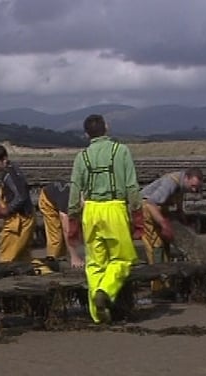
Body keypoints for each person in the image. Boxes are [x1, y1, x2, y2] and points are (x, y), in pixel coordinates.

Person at [67, 115, 144, 324]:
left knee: (94, 264)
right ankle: (105, 290)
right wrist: (138, 216)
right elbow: (132, 187)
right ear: (107, 128)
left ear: (86, 134)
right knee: (123, 259)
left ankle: (98, 314)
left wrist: (72, 221)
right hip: (115, 208)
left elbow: (74, 191)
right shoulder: (122, 151)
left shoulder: (81, 157)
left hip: (90, 210)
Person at [140, 168, 204, 292]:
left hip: (159, 211)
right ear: (186, 178)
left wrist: (186, 226)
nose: (194, 190)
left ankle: (166, 282)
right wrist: (164, 224)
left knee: (166, 247)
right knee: (156, 247)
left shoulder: (182, 186)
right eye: (193, 186)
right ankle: (157, 287)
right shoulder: (170, 183)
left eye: (197, 188)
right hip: (147, 210)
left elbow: (179, 209)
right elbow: (150, 203)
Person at [0, 143, 35, 263]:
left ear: (4, 159)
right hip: (25, 216)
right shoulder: (15, 169)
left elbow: (21, 196)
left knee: (7, 257)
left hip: (19, 220)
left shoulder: (10, 175)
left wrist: (6, 209)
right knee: (23, 255)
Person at [38, 181, 84, 269]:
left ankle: (63, 257)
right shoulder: (68, 200)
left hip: (60, 196)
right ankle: (51, 262)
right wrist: (74, 257)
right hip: (48, 200)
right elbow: (67, 229)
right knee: (56, 237)